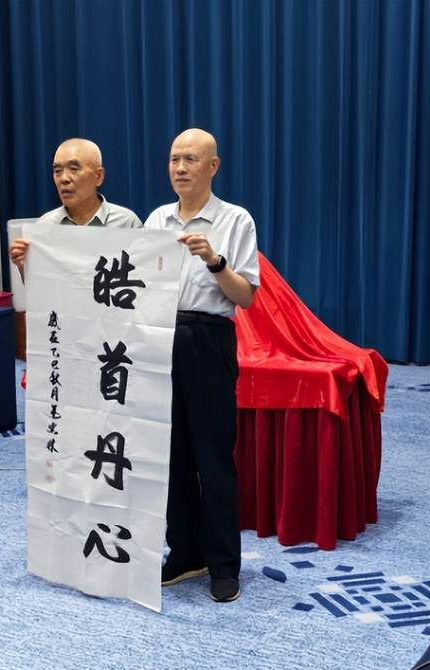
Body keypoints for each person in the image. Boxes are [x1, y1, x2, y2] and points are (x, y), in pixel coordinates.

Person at [144, 128, 260, 603]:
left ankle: (224, 563)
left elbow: (246, 296)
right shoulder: (157, 218)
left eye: (191, 159)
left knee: (213, 458)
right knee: (170, 457)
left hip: (208, 340)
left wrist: (214, 260)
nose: (180, 168)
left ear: (213, 166)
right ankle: (185, 553)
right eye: (174, 158)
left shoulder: (235, 219)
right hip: (159, 338)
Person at [9, 138, 141, 279]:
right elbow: (41, 286)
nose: (64, 179)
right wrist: (24, 266)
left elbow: (144, 279)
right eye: (57, 170)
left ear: (98, 176)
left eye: (73, 169)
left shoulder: (127, 223)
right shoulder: (44, 227)